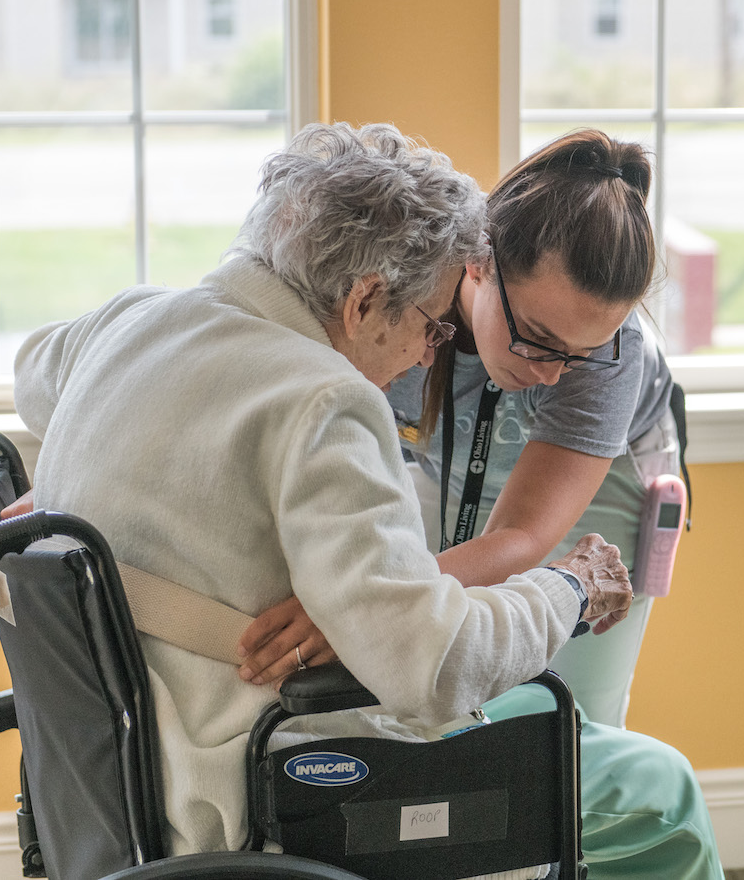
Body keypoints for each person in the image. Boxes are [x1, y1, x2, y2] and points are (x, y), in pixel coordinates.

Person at [11, 122, 722, 878]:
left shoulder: (132, 318)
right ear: (364, 301)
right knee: (659, 786)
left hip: (119, 766)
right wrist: (570, 587)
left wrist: (72, 483)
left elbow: (33, 374)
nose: (429, 351)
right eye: (428, 324)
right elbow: (436, 665)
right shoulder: (325, 402)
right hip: (262, 775)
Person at [238, 129, 682, 730]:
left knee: (573, 718)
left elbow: (523, 536)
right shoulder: (394, 305)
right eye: (538, 338)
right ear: (478, 260)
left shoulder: (617, 354)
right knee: (436, 678)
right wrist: (359, 602)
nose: (552, 375)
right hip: (438, 458)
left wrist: (358, 605)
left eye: (583, 352)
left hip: (606, 484)